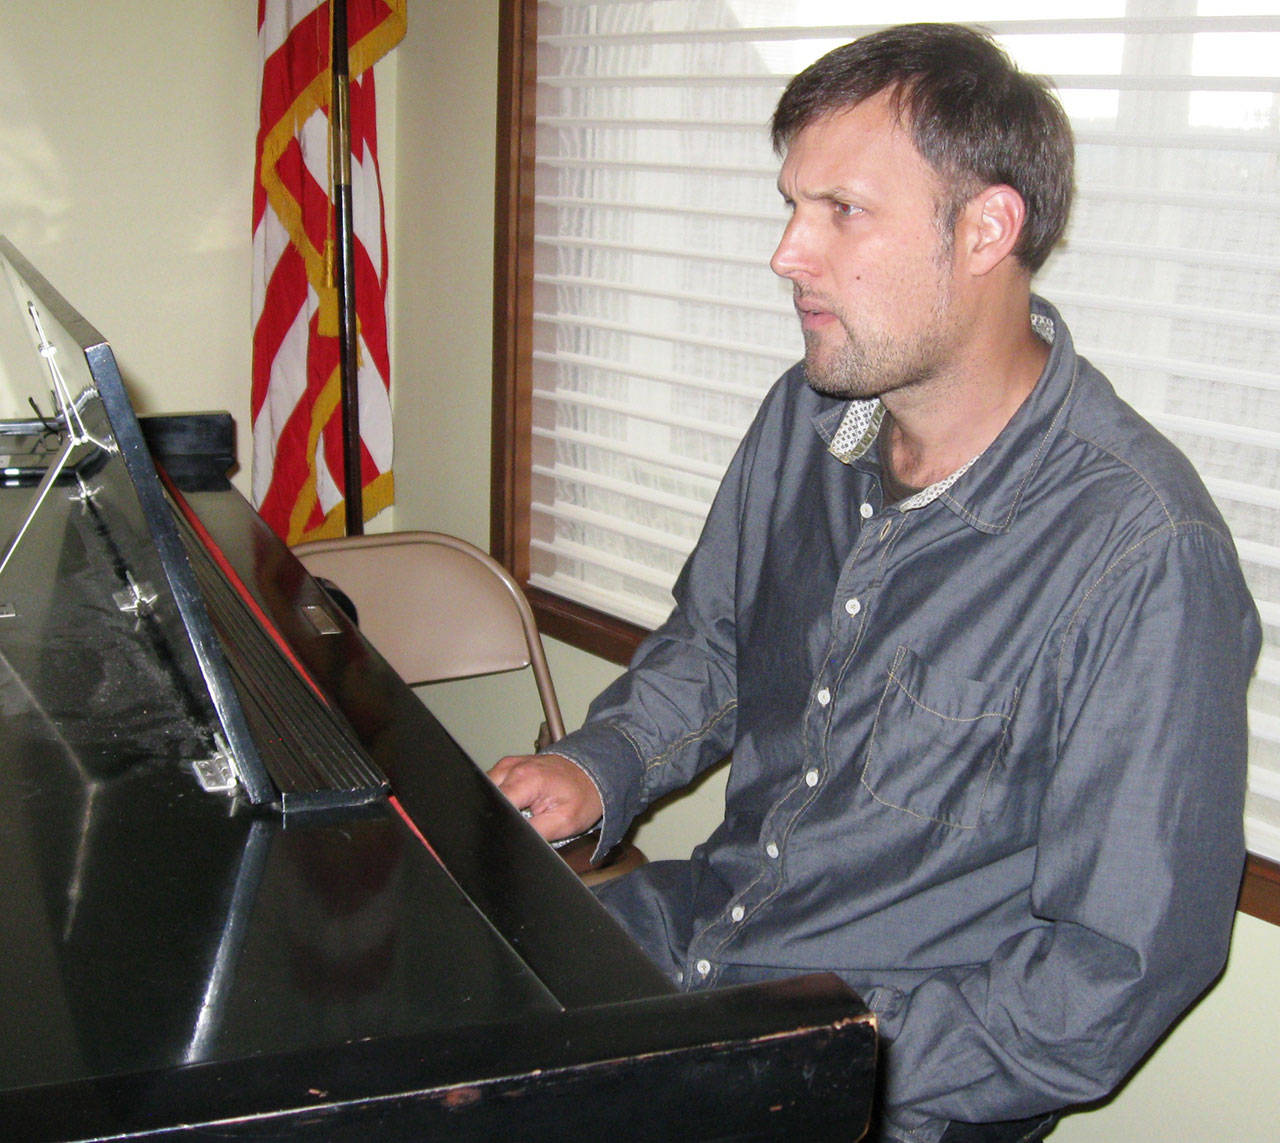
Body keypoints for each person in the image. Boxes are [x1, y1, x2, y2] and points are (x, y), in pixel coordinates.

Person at [489, 23, 1261, 1143]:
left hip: (873, 1075)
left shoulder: (1138, 553)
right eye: (790, 205)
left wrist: (818, 1066)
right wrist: (592, 768)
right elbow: (713, 646)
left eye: (840, 211)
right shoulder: (803, 421)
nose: (786, 253)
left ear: (986, 228)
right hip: (695, 946)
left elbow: (1108, 976)